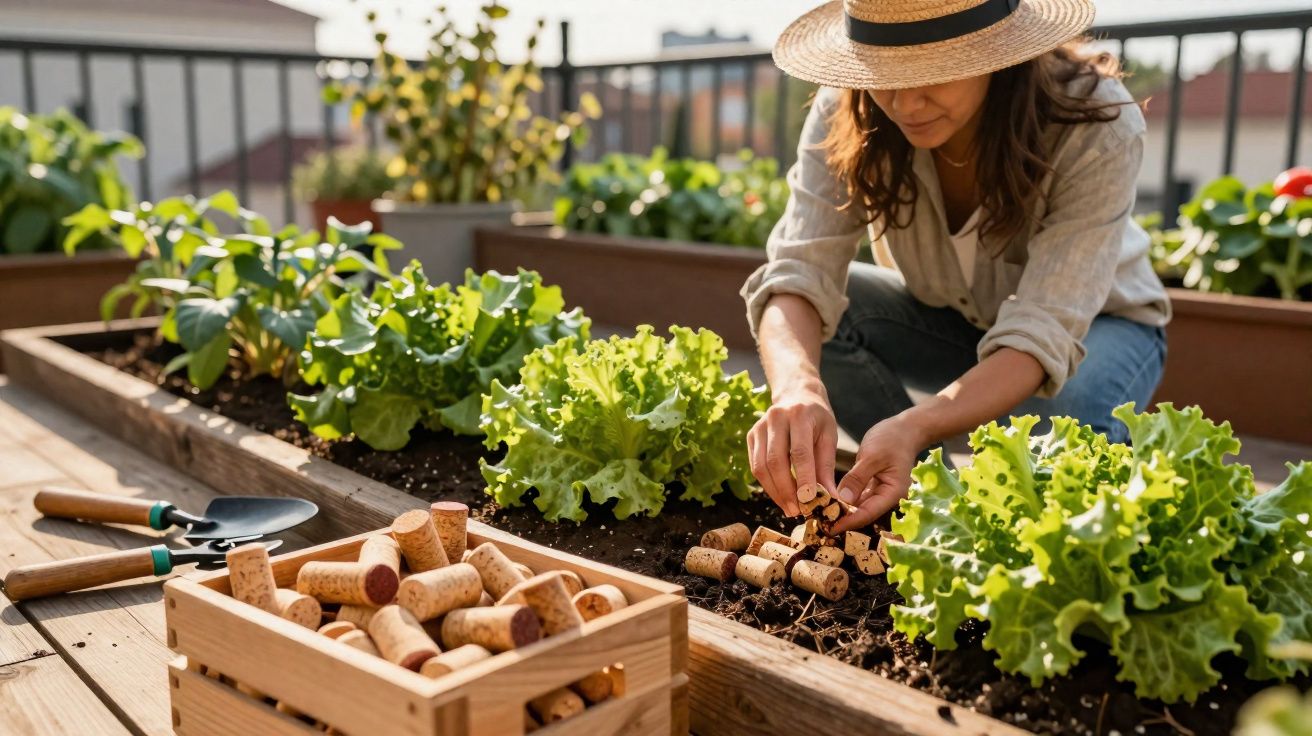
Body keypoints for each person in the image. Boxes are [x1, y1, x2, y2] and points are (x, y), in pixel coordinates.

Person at [742, 0, 1170, 533]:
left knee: (1060, 424)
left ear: (997, 51)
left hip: (1102, 329)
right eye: (885, 75)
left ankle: (990, 514)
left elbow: (1044, 330)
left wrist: (918, 423)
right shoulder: (849, 106)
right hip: (956, 325)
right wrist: (796, 389)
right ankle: (933, 508)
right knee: (822, 325)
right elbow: (798, 272)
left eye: (931, 72)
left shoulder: (1095, 118)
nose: (903, 102)